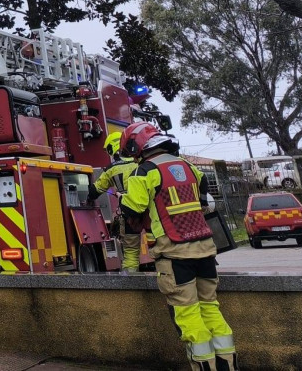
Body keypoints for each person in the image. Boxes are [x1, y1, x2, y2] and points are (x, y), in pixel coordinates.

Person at [120, 122, 237, 371]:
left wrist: (123, 198)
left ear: (136, 146)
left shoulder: (144, 172)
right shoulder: (189, 167)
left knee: (188, 316)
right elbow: (204, 195)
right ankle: (228, 366)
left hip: (175, 255)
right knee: (211, 309)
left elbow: (133, 210)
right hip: (205, 250)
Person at [87, 129, 141, 272]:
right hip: (150, 213)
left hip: (129, 214)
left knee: (130, 252)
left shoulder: (112, 169)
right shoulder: (142, 163)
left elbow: (95, 190)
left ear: (112, 148)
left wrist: (88, 198)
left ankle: (131, 281)